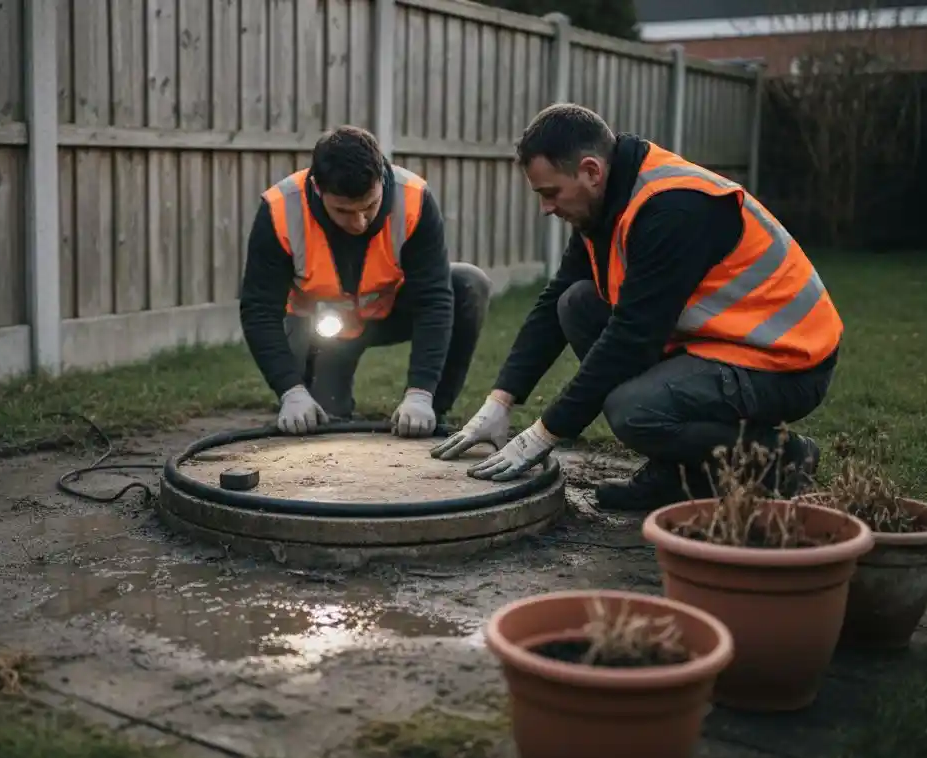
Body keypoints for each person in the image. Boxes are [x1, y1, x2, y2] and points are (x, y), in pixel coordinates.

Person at [432, 104, 843, 512]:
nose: (546, 208)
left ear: (591, 171)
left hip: (784, 359)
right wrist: (500, 402)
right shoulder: (607, 202)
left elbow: (632, 340)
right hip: (720, 341)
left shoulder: (673, 209)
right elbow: (552, 303)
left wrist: (543, 434)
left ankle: (781, 458)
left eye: (550, 192)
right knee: (574, 303)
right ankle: (678, 474)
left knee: (634, 410)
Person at [240, 125, 493, 438]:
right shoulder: (280, 209)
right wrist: (290, 390)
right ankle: (309, 393)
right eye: (344, 211)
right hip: (323, 328)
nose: (359, 222)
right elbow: (259, 309)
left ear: (381, 179)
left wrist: (421, 393)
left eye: (370, 206)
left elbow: (434, 301)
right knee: (322, 423)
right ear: (318, 188)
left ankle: (430, 415)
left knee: (468, 283)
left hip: (390, 313)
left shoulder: (414, 199)